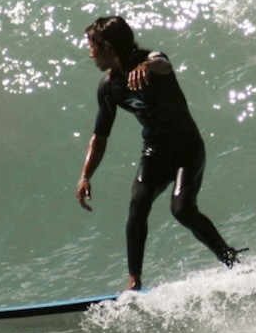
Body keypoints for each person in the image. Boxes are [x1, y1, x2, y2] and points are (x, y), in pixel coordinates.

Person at [76, 16, 245, 291]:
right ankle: (134, 281)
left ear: (107, 46)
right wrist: (85, 176)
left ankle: (230, 259)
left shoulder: (151, 61)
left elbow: (163, 63)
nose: (90, 52)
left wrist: (146, 66)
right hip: (155, 151)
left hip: (187, 147)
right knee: (138, 203)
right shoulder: (109, 87)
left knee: (182, 210)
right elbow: (100, 135)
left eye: (93, 45)